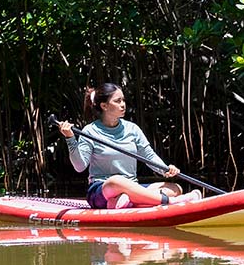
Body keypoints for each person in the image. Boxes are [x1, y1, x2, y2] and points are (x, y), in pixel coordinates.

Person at [57, 83, 201, 208]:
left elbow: (149, 156)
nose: (123, 104)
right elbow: (80, 166)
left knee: (175, 188)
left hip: (133, 187)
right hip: (102, 190)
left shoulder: (132, 129)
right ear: (104, 106)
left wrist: (166, 170)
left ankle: (125, 202)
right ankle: (170, 202)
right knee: (116, 181)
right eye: (118, 101)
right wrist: (70, 138)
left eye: (123, 100)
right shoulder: (90, 131)